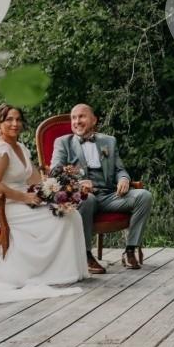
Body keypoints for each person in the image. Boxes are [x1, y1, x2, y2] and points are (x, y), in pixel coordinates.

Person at [0, 105, 88, 303]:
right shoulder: (1, 151)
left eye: (18, 120)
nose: (15, 124)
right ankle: (48, 273)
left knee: (69, 213)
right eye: (9, 120)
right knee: (57, 221)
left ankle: (65, 271)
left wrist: (58, 189)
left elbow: (34, 180)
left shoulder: (20, 148)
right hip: (3, 205)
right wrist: (23, 198)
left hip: (23, 200)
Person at [51, 104, 153, 273]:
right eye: (73, 118)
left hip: (109, 195)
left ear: (94, 120)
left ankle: (129, 250)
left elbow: (120, 169)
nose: (77, 121)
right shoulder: (63, 143)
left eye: (82, 116)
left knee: (144, 196)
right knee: (87, 198)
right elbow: (55, 173)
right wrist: (78, 183)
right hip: (84, 196)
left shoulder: (109, 141)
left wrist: (124, 179)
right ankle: (85, 255)